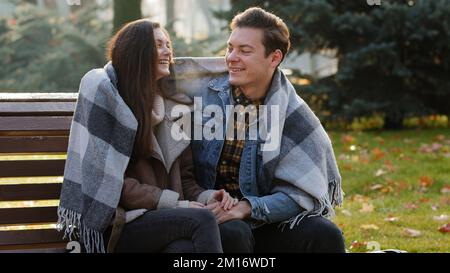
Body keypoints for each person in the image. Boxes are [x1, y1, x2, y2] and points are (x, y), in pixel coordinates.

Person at [56, 19, 236, 253]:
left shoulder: (174, 108)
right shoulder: (109, 98)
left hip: (167, 218)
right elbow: (112, 185)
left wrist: (208, 197)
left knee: (228, 233)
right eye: (158, 45)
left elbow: (186, 179)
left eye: (168, 44)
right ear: (137, 51)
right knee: (200, 221)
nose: (167, 51)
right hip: (122, 223)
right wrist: (176, 205)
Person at [176, 7, 346, 253]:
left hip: (264, 218)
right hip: (210, 213)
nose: (232, 57)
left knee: (324, 233)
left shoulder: (294, 115)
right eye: (230, 48)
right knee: (234, 232)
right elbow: (153, 72)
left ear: (274, 58)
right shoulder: (203, 94)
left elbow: (300, 195)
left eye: (244, 51)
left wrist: (247, 208)